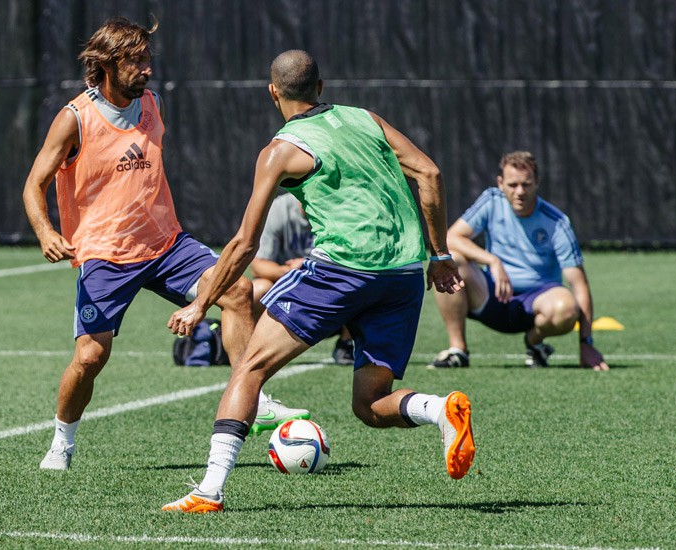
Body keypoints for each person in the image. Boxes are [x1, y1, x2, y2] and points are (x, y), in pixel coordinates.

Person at [161, 50, 474, 513]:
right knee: (370, 404)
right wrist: (440, 254)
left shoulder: (280, 150)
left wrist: (199, 303)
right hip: (403, 274)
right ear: (321, 88)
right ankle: (441, 408)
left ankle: (209, 490)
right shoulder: (366, 119)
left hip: (341, 270)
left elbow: (245, 243)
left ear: (273, 93)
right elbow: (429, 172)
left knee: (248, 367)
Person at [22, 17, 309, 471]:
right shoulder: (74, 118)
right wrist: (46, 232)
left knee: (236, 290)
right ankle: (62, 440)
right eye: (134, 61)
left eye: (146, 59)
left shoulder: (152, 103)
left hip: (166, 244)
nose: (146, 69)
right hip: (104, 255)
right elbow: (33, 184)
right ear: (107, 64)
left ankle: (254, 395)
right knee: (91, 356)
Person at [426, 151, 610, 371]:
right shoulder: (492, 201)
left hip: (537, 304)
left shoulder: (557, 222)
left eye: (526, 184)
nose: (520, 192)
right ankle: (458, 350)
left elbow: (579, 285)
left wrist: (586, 344)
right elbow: (451, 237)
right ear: (501, 183)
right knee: (450, 261)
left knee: (567, 308)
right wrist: (492, 261)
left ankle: (534, 342)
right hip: (492, 296)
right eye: (513, 185)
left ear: (537, 183)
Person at [251, 192, 355, 364]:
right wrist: (290, 272)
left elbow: (352, 262)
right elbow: (258, 265)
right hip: (287, 288)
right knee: (257, 289)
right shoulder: (279, 209)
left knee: (360, 282)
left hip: (329, 286)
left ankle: (346, 344)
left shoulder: (341, 211)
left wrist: (310, 266)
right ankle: (251, 345)